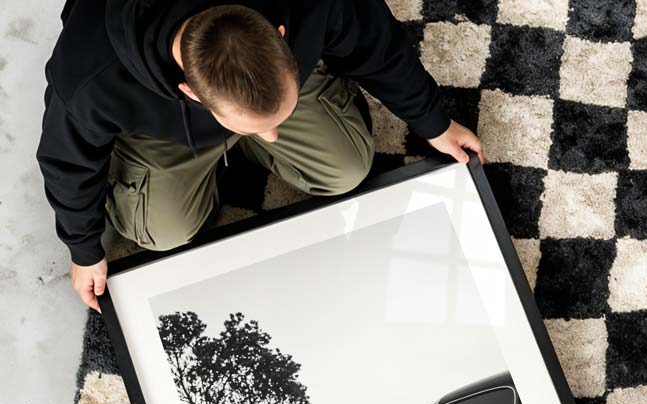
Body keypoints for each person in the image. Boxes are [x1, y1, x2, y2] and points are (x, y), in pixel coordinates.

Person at [37, 0, 485, 312]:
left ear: (281, 34)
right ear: (191, 92)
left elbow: (376, 43)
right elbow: (67, 162)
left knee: (347, 169)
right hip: (160, 130)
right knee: (161, 232)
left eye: (275, 122)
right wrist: (83, 249)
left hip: (261, 83)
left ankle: (269, 107)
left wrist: (433, 121)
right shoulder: (90, 76)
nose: (273, 137)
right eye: (258, 129)